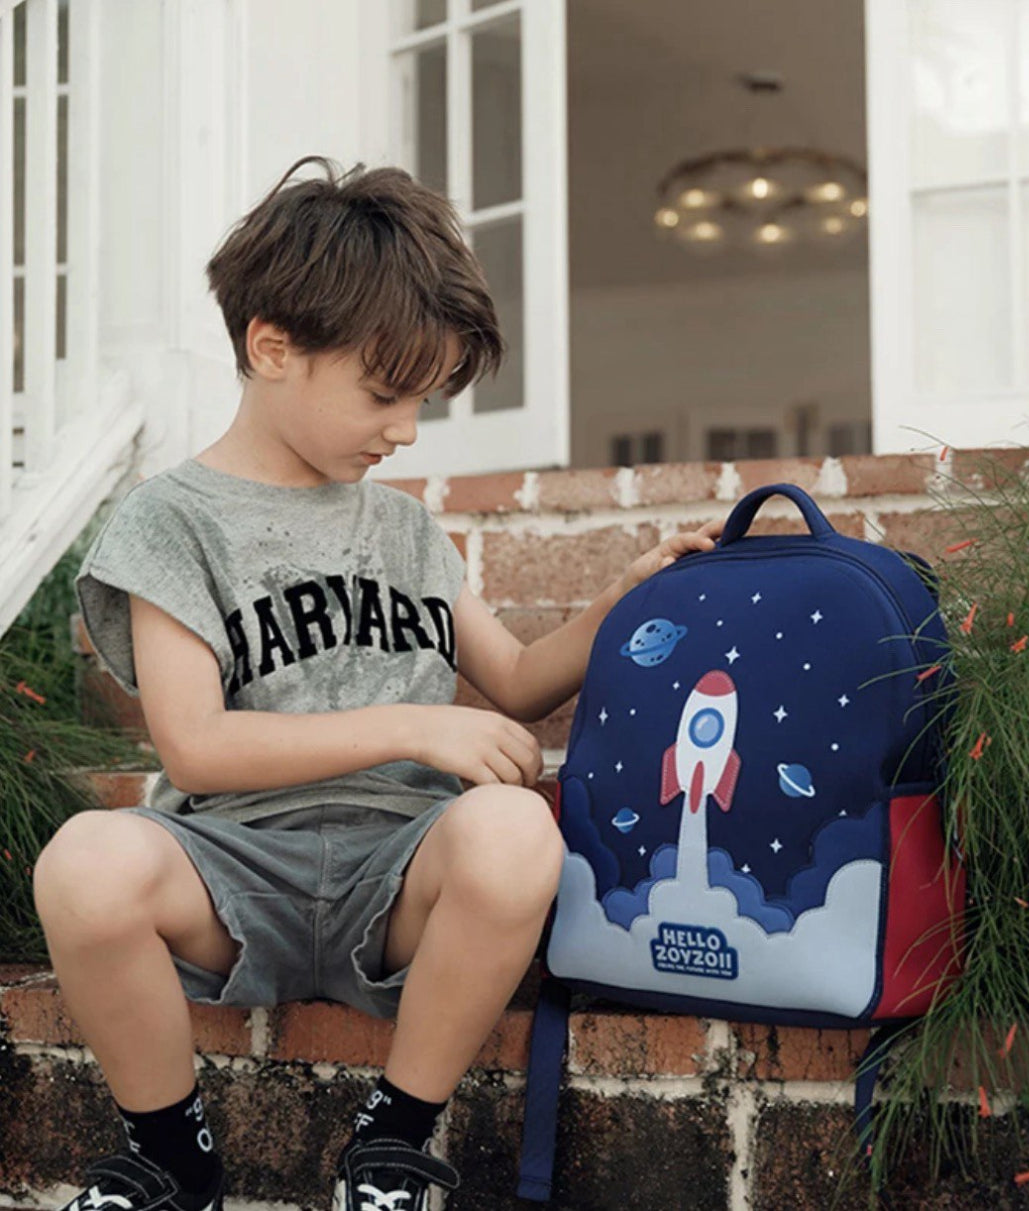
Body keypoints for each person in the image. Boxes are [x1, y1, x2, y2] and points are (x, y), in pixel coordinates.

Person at [33, 156, 722, 1211]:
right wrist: (410, 723)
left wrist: (618, 603)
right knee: (84, 860)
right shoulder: (170, 520)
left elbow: (519, 681)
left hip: (398, 876)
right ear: (273, 347)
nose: (405, 429)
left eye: (423, 402)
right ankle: (172, 1157)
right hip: (231, 869)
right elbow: (196, 748)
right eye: (385, 394)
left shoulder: (404, 528)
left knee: (514, 829)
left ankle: (391, 1142)